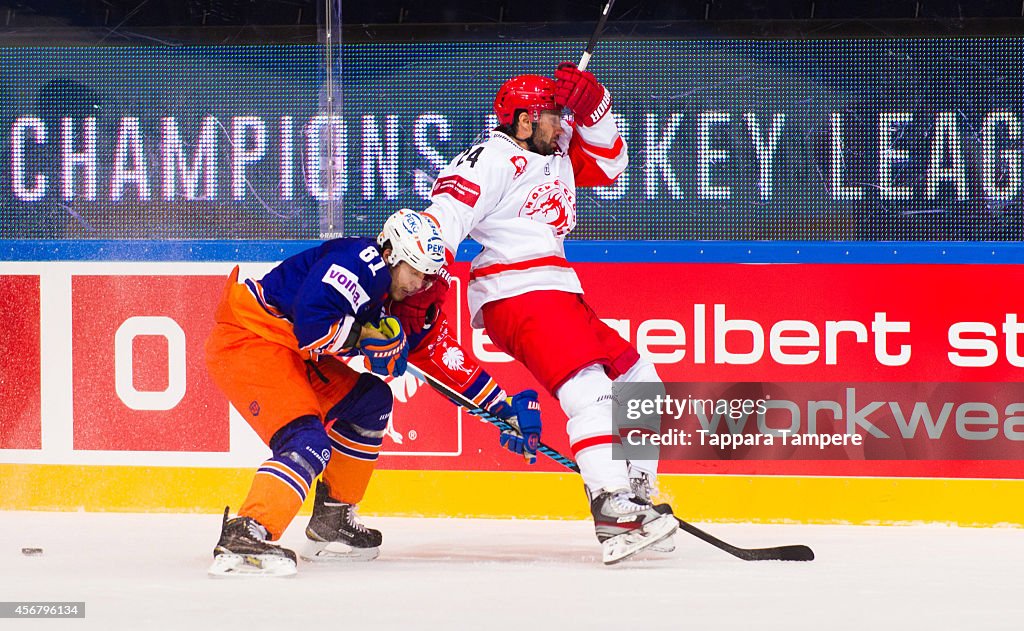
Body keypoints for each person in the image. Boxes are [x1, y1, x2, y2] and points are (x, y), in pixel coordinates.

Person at [417, 63, 678, 564]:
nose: (562, 125)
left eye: (562, 116)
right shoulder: (488, 160)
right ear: (521, 121)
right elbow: (444, 219)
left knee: (642, 383)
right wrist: (413, 287)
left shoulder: (554, 152)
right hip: (516, 291)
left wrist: (596, 108)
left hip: (557, 290)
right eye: (552, 116)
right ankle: (613, 509)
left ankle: (634, 491)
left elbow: (612, 165)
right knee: (590, 390)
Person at [205, 209, 542, 577]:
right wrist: (364, 337)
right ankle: (247, 532)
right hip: (250, 340)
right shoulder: (361, 264)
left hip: (289, 351)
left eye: (427, 274)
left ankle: (333, 521)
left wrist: (501, 409)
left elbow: (445, 364)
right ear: (390, 254)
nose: (419, 283)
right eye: (413, 270)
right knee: (307, 443)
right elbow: (311, 323)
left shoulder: (398, 300)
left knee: (371, 402)